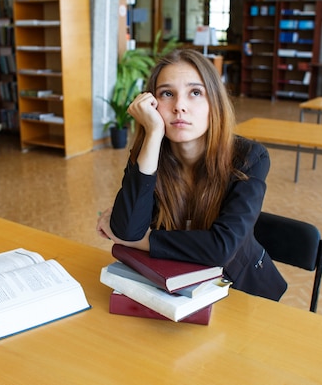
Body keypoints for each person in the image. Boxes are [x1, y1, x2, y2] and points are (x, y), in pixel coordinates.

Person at [96, 48, 287, 301]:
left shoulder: (249, 157)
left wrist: (143, 241)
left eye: (195, 93)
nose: (179, 107)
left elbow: (221, 249)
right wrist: (152, 134)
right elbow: (128, 230)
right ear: (152, 104)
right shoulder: (150, 154)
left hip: (243, 291)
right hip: (176, 289)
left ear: (214, 103)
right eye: (167, 94)